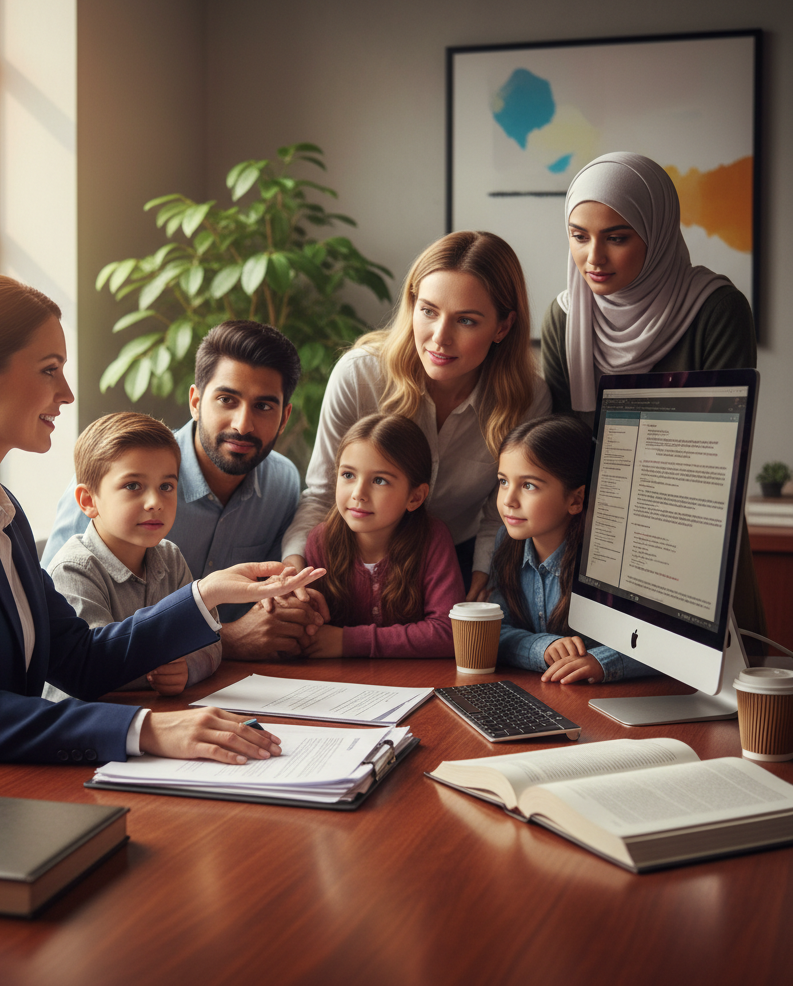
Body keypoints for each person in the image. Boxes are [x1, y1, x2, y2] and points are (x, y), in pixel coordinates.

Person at [0, 274, 324, 803]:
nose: (67, 393)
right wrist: (144, 730)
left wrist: (205, 595)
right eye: (50, 370)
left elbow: (79, 658)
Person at [540, 150, 765, 641]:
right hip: (593, 540)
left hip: (692, 535)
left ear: (657, 233)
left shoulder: (717, 309)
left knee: (712, 694)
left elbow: (715, 454)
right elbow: (561, 448)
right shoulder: (564, 317)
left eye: (617, 238)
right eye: (579, 237)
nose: (593, 258)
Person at [282, 231, 551, 600]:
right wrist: (293, 571)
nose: (439, 338)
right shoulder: (360, 376)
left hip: (460, 560)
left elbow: (499, 514)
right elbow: (323, 494)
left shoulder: (528, 399)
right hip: (356, 562)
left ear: (502, 327)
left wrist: (485, 573)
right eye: (428, 311)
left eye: (467, 321)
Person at [42, 320, 324, 660]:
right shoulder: (110, 484)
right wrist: (227, 640)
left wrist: (298, 608)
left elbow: (268, 600)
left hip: (227, 686)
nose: (243, 424)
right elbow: (55, 633)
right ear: (195, 401)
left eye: (264, 406)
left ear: (285, 417)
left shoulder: (283, 482)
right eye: (226, 399)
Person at [43, 412, 220, 700]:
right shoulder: (73, 569)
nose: (154, 502)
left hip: (156, 717)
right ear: (88, 501)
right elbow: (95, 667)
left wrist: (188, 667)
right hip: (87, 731)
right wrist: (158, 669)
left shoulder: (171, 558)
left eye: (166, 486)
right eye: (133, 486)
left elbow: (212, 642)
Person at [490, 414, 656, 684]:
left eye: (528, 485)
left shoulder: (611, 557)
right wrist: (542, 647)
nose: (508, 500)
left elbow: (660, 642)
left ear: (576, 499)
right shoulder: (506, 543)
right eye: (503, 481)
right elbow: (493, 630)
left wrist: (600, 661)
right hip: (543, 693)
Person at [299, 414, 464, 658]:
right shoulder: (320, 542)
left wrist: (348, 641)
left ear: (415, 497)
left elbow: (450, 633)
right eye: (348, 475)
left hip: (416, 682)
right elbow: (307, 628)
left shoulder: (432, 539)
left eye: (379, 480)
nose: (358, 493)